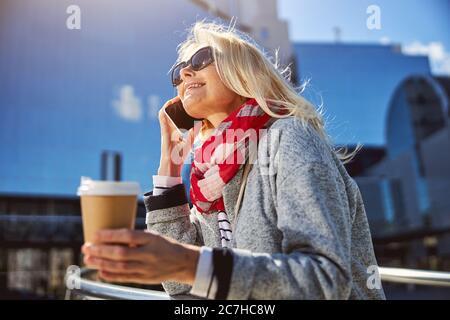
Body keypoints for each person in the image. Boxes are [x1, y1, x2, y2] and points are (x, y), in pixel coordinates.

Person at [82, 20, 386, 300]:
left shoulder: (288, 139)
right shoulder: (209, 174)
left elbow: (324, 281)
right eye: (178, 71)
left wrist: (188, 262)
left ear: (243, 70)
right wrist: (170, 166)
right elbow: (180, 285)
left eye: (200, 59)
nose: (185, 73)